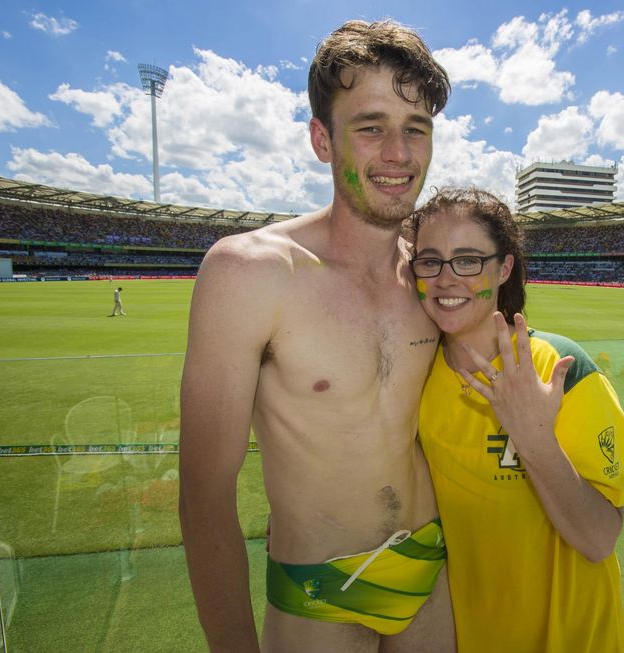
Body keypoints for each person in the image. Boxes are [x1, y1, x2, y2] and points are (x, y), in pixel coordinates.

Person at [178, 20, 453, 653]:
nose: (398, 153)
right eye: (371, 127)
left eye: (416, 129)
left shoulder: (434, 277)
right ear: (321, 140)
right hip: (319, 590)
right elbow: (204, 498)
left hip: (433, 569)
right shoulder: (248, 273)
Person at [408, 187, 624, 652]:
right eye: (430, 261)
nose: (447, 279)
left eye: (468, 260)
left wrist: (534, 439)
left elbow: (598, 539)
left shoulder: (562, 368)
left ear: (503, 268)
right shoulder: (415, 380)